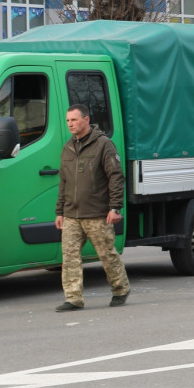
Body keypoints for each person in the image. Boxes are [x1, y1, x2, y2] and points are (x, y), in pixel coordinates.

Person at [54, 104, 129, 312]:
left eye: (74, 120)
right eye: (68, 120)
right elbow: (64, 181)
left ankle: (121, 289)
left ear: (86, 120)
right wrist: (59, 211)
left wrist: (115, 207)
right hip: (71, 214)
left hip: (97, 213)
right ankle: (73, 298)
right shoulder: (68, 147)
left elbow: (116, 177)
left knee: (106, 254)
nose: (70, 124)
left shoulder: (104, 145)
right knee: (69, 257)